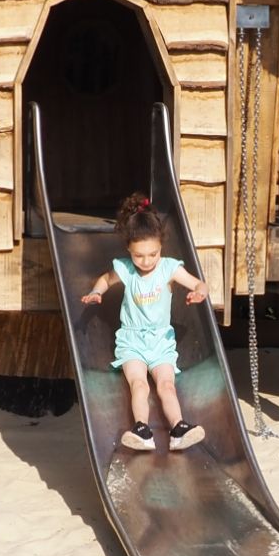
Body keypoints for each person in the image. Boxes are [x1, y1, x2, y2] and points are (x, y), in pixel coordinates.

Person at [81, 192, 209, 452]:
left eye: (153, 254)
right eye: (139, 255)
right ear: (129, 249)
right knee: (138, 385)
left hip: (161, 341)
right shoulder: (126, 269)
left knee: (166, 385)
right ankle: (142, 429)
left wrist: (200, 292)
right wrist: (96, 292)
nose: (147, 261)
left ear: (161, 246)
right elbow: (105, 279)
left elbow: (197, 282)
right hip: (132, 341)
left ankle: (178, 428)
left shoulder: (169, 268)